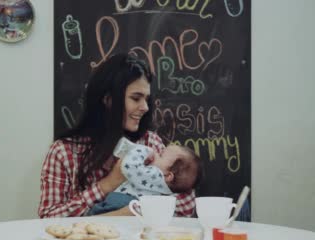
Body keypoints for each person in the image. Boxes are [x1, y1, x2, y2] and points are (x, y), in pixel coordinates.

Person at [38, 53, 196, 218]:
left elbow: (185, 204)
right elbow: (47, 219)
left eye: (146, 99)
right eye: (136, 98)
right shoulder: (64, 152)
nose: (145, 107)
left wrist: (132, 211)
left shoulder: (150, 143)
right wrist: (109, 183)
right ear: (108, 99)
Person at [87, 144, 203, 215]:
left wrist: (144, 150)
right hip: (122, 204)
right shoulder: (165, 187)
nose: (156, 152)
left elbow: (129, 166)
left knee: (93, 219)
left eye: (161, 155)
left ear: (168, 176)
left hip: (120, 203)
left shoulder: (156, 176)